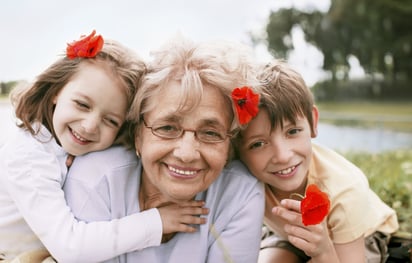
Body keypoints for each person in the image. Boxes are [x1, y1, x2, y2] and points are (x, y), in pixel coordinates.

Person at [0, 31, 207, 262]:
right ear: (56, 91)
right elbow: (69, 247)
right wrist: (156, 221)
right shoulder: (28, 156)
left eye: (110, 121)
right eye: (82, 104)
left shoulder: (65, 146)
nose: (89, 126)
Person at [63, 34, 265, 262]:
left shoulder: (240, 194)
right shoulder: (96, 179)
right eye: (168, 128)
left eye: (210, 133)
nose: (187, 154)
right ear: (138, 134)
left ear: (229, 143)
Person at [235, 61, 399, 263]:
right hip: (289, 233)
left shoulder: (345, 190)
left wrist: (322, 252)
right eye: (259, 143)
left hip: (360, 236)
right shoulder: (240, 176)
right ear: (236, 150)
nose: (283, 156)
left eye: (292, 132)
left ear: (312, 122)